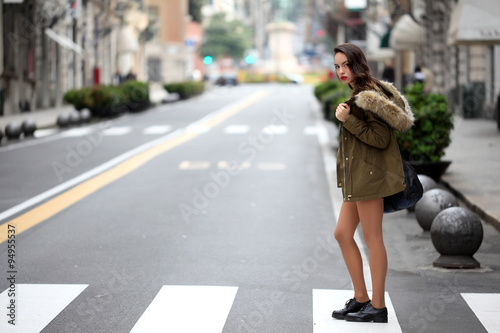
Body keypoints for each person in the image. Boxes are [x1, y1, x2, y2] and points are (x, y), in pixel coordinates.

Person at [331, 43, 414, 323]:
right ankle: (361, 297)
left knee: (373, 238)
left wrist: (347, 120)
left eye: (345, 65)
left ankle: (378, 306)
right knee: (343, 234)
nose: (341, 71)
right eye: (337, 66)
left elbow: (380, 139)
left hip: (370, 176)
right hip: (359, 177)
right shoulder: (360, 92)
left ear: (358, 63)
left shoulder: (369, 96)